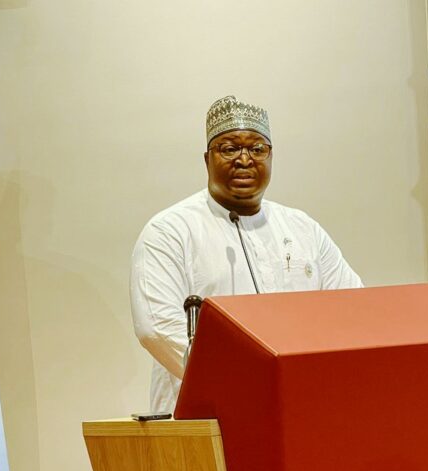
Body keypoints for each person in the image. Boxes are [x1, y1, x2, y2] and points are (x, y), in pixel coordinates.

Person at [130, 95, 363, 412]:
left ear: (271, 156)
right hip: (205, 417)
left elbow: (353, 309)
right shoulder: (169, 231)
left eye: (257, 149)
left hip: (302, 407)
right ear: (207, 159)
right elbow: (157, 329)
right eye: (229, 148)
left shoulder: (302, 229)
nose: (244, 159)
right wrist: (246, 385)